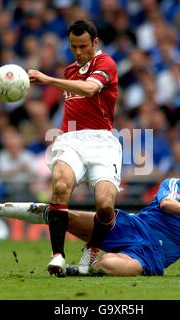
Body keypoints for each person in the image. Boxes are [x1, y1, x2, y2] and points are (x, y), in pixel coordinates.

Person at [0, 145, 180, 277]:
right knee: (64, 214)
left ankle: (81, 268)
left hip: (148, 258)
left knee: (109, 266)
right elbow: (167, 205)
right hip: (129, 226)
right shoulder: (177, 186)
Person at [20, 20, 122, 276]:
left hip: (102, 142)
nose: (78, 52)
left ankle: (92, 250)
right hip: (71, 139)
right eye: (74, 46)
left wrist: (46, 78)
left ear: (95, 42)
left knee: (105, 205)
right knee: (61, 185)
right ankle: (58, 256)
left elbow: (89, 90)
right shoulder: (69, 71)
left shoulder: (106, 63)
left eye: (83, 46)